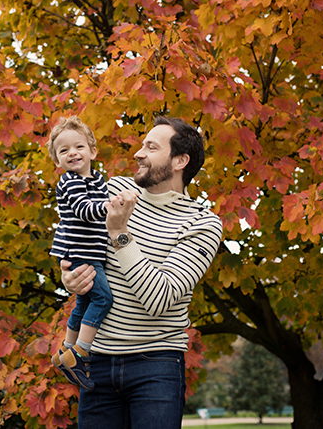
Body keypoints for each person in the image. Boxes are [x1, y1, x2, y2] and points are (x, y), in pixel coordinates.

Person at [60, 116, 224, 429]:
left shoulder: (202, 224)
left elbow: (158, 299)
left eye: (151, 147)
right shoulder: (114, 190)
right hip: (98, 362)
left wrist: (120, 232)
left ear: (180, 160)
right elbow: (75, 241)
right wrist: (68, 275)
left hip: (156, 365)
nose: (138, 153)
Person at [47, 116, 113, 391]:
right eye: (64, 150)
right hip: (80, 253)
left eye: (78, 147)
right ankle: (80, 352)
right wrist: (112, 207)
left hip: (92, 252)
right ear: (57, 161)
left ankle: (66, 350)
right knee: (103, 298)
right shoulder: (71, 182)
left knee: (83, 304)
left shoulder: (98, 180)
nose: (72, 153)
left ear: (92, 151)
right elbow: (85, 210)